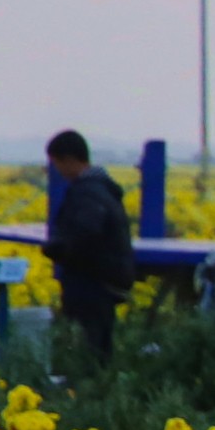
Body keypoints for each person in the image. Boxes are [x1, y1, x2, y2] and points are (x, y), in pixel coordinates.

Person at [42, 131, 134, 364]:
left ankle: (89, 394)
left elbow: (86, 233)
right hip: (104, 281)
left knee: (88, 353)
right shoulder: (102, 187)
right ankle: (99, 393)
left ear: (70, 159)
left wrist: (58, 249)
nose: (58, 171)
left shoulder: (87, 192)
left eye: (57, 164)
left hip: (90, 283)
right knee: (100, 349)